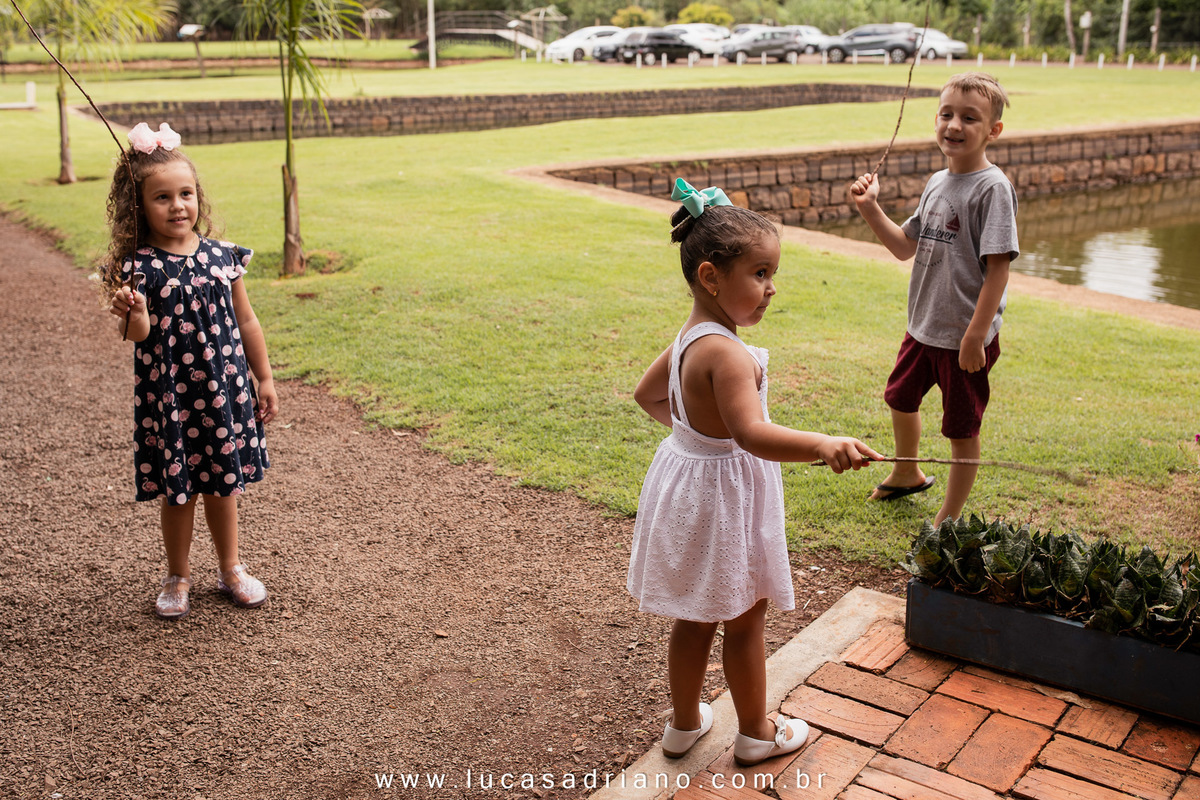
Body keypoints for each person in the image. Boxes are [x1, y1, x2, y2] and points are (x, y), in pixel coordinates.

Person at [628, 179, 880, 766]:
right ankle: (756, 734)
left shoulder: (691, 336)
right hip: (723, 500)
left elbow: (648, 395)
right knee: (743, 621)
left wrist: (695, 436)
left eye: (773, 273)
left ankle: (683, 726)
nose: (771, 288)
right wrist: (821, 444)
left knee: (695, 616)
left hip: (690, 488)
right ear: (712, 277)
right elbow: (751, 434)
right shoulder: (728, 353)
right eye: (760, 273)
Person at [103, 122, 278, 621]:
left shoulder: (223, 257)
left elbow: (247, 320)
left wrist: (264, 378)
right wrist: (133, 311)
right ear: (139, 206)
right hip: (173, 398)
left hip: (225, 391)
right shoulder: (139, 267)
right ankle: (177, 575)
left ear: (197, 195)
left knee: (224, 486)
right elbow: (138, 335)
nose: (177, 206)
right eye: (162, 197)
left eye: (185, 194)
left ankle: (231, 568)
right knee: (179, 492)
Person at [849, 72, 1018, 526]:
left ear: (993, 130)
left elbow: (999, 269)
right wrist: (870, 208)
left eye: (970, 118)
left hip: (963, 335)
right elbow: (905, 246)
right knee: (900, 398)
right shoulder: (937, 182)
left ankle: (949, 517)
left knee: (961, 429)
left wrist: (975, 336)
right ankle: (907, 471)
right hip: (923, 326)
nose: (954, 125)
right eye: (946, 114)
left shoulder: (992, 188)